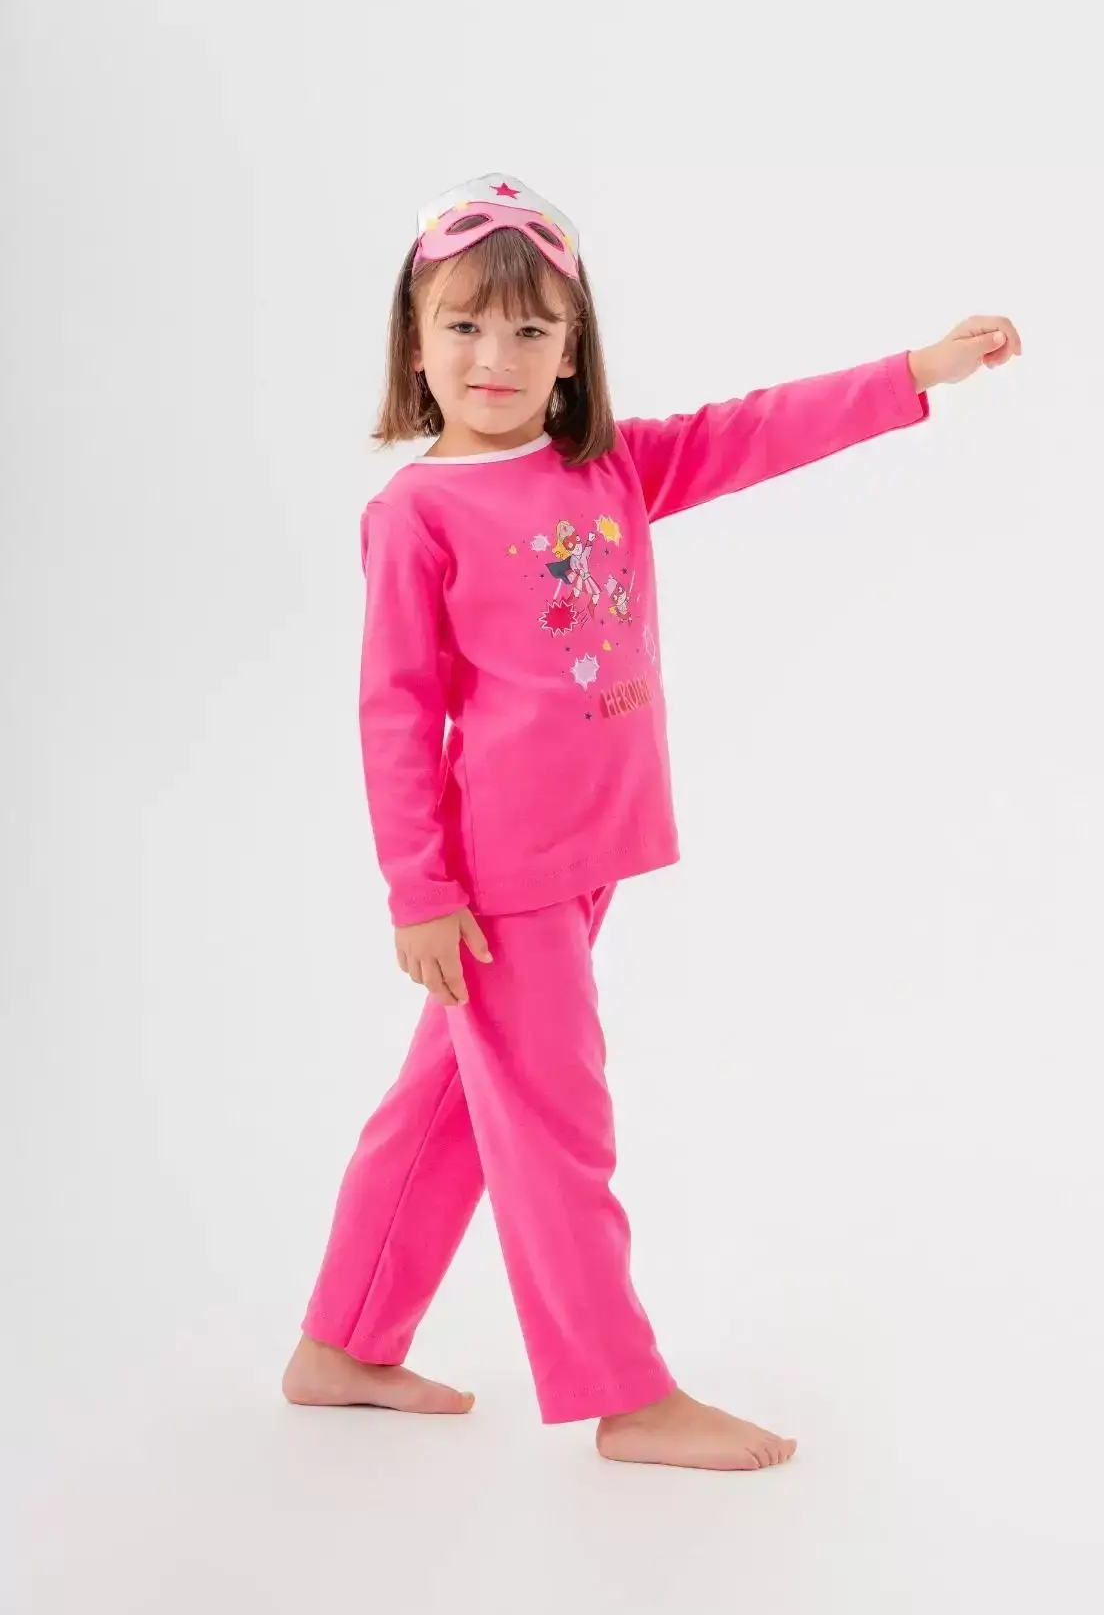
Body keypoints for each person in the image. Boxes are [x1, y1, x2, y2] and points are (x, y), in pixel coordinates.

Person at [282, 172, 1021, 1470]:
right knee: (557, 1128)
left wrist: (915, 370)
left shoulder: (608, 467)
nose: (496, 355)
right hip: (502, 876)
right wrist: (422, 893)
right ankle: (626, 1398)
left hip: (590, 849)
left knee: (447, 1107)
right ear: (416, 343)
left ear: (573, 352)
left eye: (530, 329)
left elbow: (756, 429)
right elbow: (394, 715)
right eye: (465, 325)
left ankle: (342, 1344)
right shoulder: (419, 516)